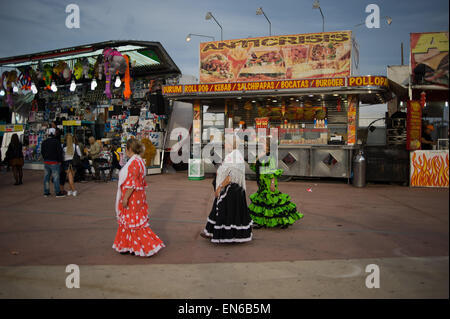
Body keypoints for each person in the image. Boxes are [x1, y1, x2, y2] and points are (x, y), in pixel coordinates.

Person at [112, 138, 165, 257]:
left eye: (126, 148)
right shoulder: (139, 160)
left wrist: (125, 198)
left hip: (132, 197)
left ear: (129, 149)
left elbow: (132, 182)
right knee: (130, 222)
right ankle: (129, 245)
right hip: (138, 196)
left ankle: (148, 245)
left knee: (133, 222)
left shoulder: (134, 162)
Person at [201, 136, 253, 243]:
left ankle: (224, 234)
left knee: (226, 213)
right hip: (230, 189)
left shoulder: (235, 156)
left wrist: (220, 187)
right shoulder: (233, 154)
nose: (225, 145)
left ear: (231, 144)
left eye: (226, 143)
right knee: (219, 210)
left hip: (230, 190)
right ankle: (210, 231)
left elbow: (232, 176)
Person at [248, 137, 303, 229]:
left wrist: (272, 183)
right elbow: (253, 165)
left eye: (263, 144)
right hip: (262, 181)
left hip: (269, 181)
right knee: (263, 200)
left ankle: (282, 219)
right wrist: (259, 157)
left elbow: (273, 170)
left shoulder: (272, 156)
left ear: (268, 146)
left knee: (272, 200)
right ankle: (262, 221)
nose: (261, 145)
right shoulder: (261, 154)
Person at [41, 128, 65, 197]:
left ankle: (46, 192)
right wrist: (60, 161)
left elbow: (42, 152)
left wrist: (45, 158)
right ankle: (57, 192)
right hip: (54, 162)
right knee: (56, 178)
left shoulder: (44, 142)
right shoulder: (57, 142)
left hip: (46, 162)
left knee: (46, 178)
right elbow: (59, 152)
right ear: (54, 133)